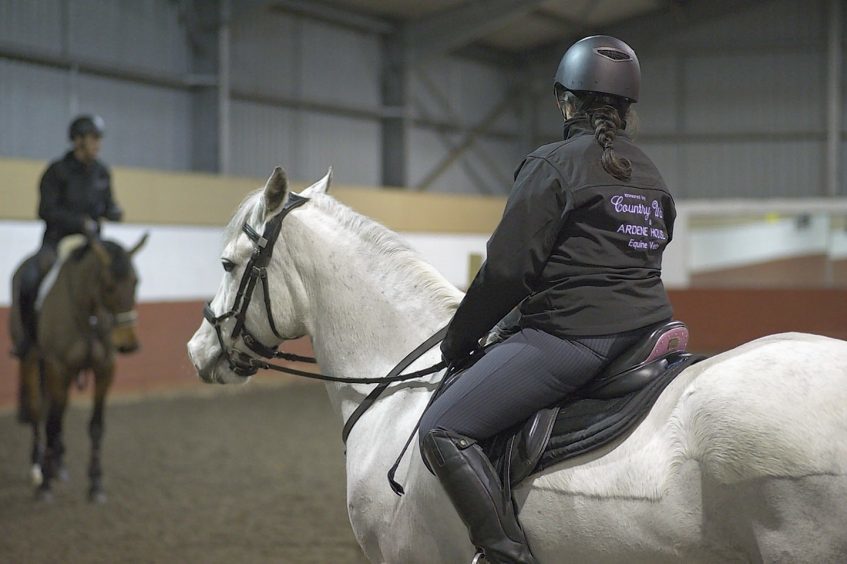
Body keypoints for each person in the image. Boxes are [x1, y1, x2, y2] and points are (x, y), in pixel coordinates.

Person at [418, 36, 676, 564]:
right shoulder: (651, 173)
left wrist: (459, 340)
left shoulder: (553, 165)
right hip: (648, 326)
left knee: (442, 426)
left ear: (565, 101)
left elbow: (508, 271)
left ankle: (503, 554)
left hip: (574, 337)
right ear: (628, 109)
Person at [12, 114, 123, 360]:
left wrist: (113, 211)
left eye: (98, 139)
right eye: (93, 139)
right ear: (78, 141)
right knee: (28, 278)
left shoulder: (102, 172)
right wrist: (78, 222)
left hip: (91, 245)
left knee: (119, 275)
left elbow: (108, 204)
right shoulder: (56, 171)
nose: (98, 144)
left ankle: (116, 337)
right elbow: (45, 210)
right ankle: (28, 339)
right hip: (58, 243)